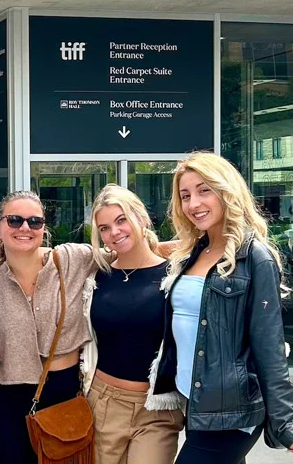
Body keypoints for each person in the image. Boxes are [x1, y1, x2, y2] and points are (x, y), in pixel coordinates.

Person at [149, 152, 293, 463]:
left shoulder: (255, 258)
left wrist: (285, 424)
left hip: (233, 410)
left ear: (226, 191)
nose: (194, 203)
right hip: (198, 401)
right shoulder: (195, 251)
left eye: (204, 190)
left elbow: (269, 346)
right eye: (185, 195)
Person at [0, 190, 101, 464]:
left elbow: (130, 253)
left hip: (63, 396)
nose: (25, 228)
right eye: (15, 220)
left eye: (34, 221)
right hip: (6, 402)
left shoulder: (71, 260)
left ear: (43, 228)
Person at [86, 185, 184, 464]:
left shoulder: (175, 276)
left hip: (157, 407)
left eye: (121, 220)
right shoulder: (96, 275)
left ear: (141, 218)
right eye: (104, 228)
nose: (114, 232)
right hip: (104, 402)